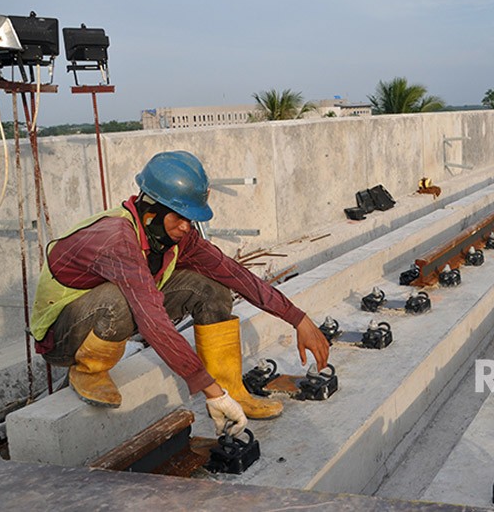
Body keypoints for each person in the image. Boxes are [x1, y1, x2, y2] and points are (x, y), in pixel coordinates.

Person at [29, 151, 331, 436]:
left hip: (116, 315)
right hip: (64, 336)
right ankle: (88, 371)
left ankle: (233, 391)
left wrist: (298, 319)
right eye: (179, 217)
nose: (187, 227)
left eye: (191, 219)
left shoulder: (175, 237)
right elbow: (152, 320)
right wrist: (207, 390)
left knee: (209, 286)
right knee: (116, 299)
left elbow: (234, 274)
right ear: (151, 211)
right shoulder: (116, 240)